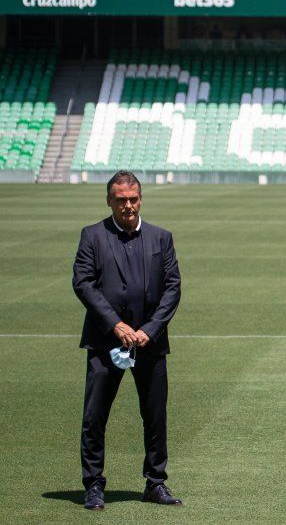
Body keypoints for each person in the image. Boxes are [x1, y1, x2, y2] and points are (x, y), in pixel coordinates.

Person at [72, 171, 183, 510]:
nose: (128, 206)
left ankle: (155, 483)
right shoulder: (93, 236)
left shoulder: (161, 238)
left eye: (133, 199)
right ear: (109, 201)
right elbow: (83, 283)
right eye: (121, 200)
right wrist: (116, 325)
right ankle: (93, 485)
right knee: (95, 417)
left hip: (150, 342)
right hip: (106, 341)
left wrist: (150, 329)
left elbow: (173, 287)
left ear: (141, 199)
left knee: (155, 415)